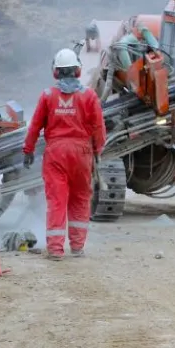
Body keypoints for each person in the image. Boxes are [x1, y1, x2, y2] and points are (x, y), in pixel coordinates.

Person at [22, 48, 107, 260]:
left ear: (56, 72)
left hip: (56, 154)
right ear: (78, 71)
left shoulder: (48, 96)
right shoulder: (89, 96)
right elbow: (98, 128)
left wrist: (28, 150)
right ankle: (77, 248)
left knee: (57, 201)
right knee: (80, 199)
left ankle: (56, 250)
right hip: (81, 154)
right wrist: (97, 151)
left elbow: (34, 127)